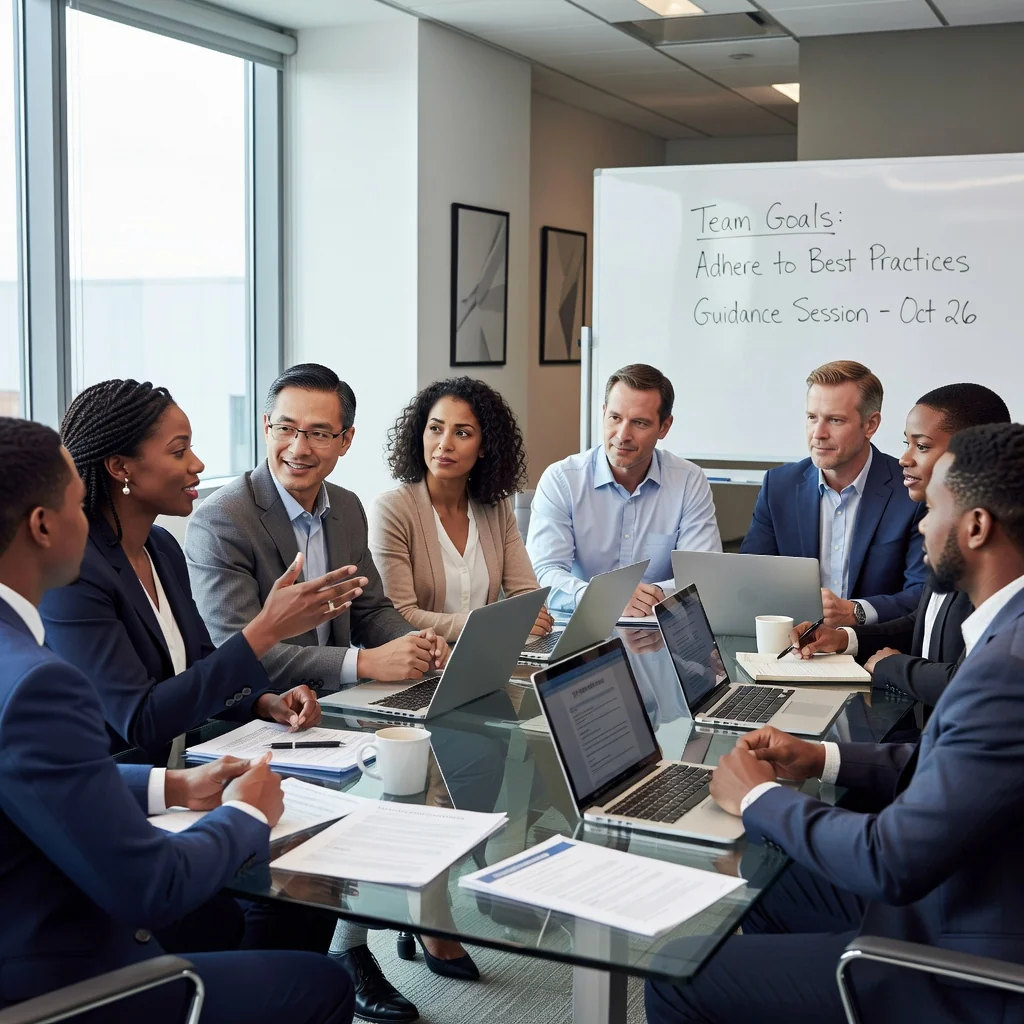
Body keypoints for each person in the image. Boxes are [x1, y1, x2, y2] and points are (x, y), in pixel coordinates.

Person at [647, 422, 1024, 1024]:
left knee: (678, 974)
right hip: (963, 892)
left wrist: (759, 797)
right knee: (766, 879)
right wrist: (820, 758)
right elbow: (959, 767)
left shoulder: (1008, 666)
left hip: (964, 961)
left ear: (976, 527)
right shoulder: (1008, 635)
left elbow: (890, 861)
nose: (921, 523)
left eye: (934, 508)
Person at [0, 416, 354, 1024]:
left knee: (256, 908)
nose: (86, 523)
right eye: (77, 505)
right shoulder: (39, 684)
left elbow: (28, 772)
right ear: (42, 526)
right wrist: (247, 812)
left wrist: (170, 785)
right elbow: (151, 887)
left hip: (57, 885)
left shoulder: (155, 553)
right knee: (321, 984)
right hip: (54, 976)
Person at [185, 363, 455, 1023]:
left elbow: (373, 611)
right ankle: (301, 974)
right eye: (284, 429)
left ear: (346, 440)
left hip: (328, 718)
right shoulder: (224, 520)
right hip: (246, 729)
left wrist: (416, 647)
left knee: (432, 772)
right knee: (292, 891)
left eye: (317, 433)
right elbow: (242, 654)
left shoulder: (348, 508)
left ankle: (346, 949)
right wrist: (367, 663)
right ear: (266, 428)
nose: (297, 448)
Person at [40, 379, 365, 766]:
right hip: (110, 797)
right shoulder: (71, 574)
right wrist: (268, 628)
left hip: (183, 775)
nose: (198, 464)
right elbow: (140, 721)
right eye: (179, 452)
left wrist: (263, 702)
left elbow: (201, 664)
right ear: (120, 467)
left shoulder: (160, 547)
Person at [788, 382, 1010, 705]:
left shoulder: (995, 554)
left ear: (972, 454)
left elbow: (970, 678)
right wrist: (844, 639)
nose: (903, 459)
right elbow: (923, 625)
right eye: (906, 443)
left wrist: (893, 667)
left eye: (921, 446)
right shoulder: (942, 533)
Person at [527, 363, 722, 617]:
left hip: (657, 629)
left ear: (664, 427)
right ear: (604, 412)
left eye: (639, 423)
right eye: (615, 418)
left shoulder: (688, 481)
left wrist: (652, 596)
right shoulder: (562, 480)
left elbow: (703, 574)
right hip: (581, 629)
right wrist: (607, 599)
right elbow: (543, 573)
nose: (622, 435)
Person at [741, 360, 927, 626]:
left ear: (870, 425)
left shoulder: (909, 491)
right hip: (792, 646)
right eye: (811, 417)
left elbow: (922, 594)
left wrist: (855, 611)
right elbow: (749, 580)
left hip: (874, 651)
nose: (818, 433)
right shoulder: (778, 486)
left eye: (835, 420)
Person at [371, 377, 552, 641]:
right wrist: (493, 623)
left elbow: (526, 594)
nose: (445, 443)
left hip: (488, 655)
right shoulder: (392, 510)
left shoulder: (495, 507)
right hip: (423, 666)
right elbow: (399, 615)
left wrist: (530, 615)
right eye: (435, 428)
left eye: (462, 433)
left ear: (483, 447)